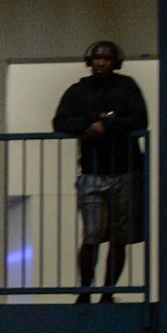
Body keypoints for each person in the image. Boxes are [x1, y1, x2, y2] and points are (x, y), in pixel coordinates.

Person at [53, 40, 148, 304]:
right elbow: (59, 121)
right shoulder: (78, 90)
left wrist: (105, 124)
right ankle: (85, 290)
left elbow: (140, 119)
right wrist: (91, 123)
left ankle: (108, 292)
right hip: (92, 172)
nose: (102, 62)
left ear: (115, 62)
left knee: (119, 238)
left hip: (125, 171)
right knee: (92, 235)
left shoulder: (126, 86)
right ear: (90, 61)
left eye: (107, 58)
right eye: (97, 58)